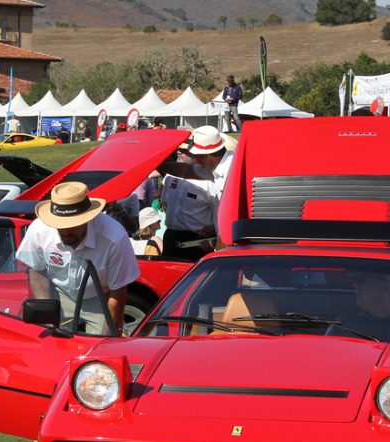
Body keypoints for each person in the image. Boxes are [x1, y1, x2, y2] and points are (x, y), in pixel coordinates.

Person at [15, 181, 139, 334]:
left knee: (99, 349)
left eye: (73, 225)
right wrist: (46, 314)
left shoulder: (114, 238)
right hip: (57, 294)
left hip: (100, 299)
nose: (66, 231)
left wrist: (106, 339)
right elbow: (37, 270)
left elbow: (118, 293)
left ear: (88, 218)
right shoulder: (39, 230)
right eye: (60, 225)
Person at [156, 125, 234, 262]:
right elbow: (185, 171)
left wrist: (216, 242)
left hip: (224, 242)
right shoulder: (213, 168)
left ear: (206, 155)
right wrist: (152, 162)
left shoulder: (231, 170)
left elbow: (231, 217)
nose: (196, 159)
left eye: (197, 155)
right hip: (215, 241)